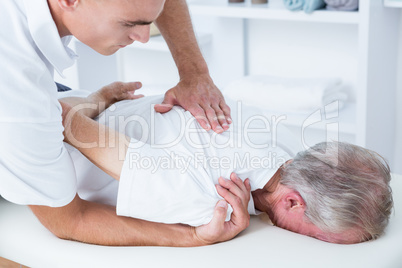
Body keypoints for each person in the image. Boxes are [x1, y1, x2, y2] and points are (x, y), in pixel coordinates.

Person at [0, 0, 241, 247]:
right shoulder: (18, 90)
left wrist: (195, 73)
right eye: (128, 23)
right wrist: (191, 235)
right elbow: (70, 219)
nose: (144, 37)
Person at [56, 88, 393, 245]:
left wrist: (98, 100)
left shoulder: (279, 133)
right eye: (322, 238)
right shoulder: (208, 197)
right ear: (293, 202)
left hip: (79, 101)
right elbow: (60, 120)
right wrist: (193, 235)